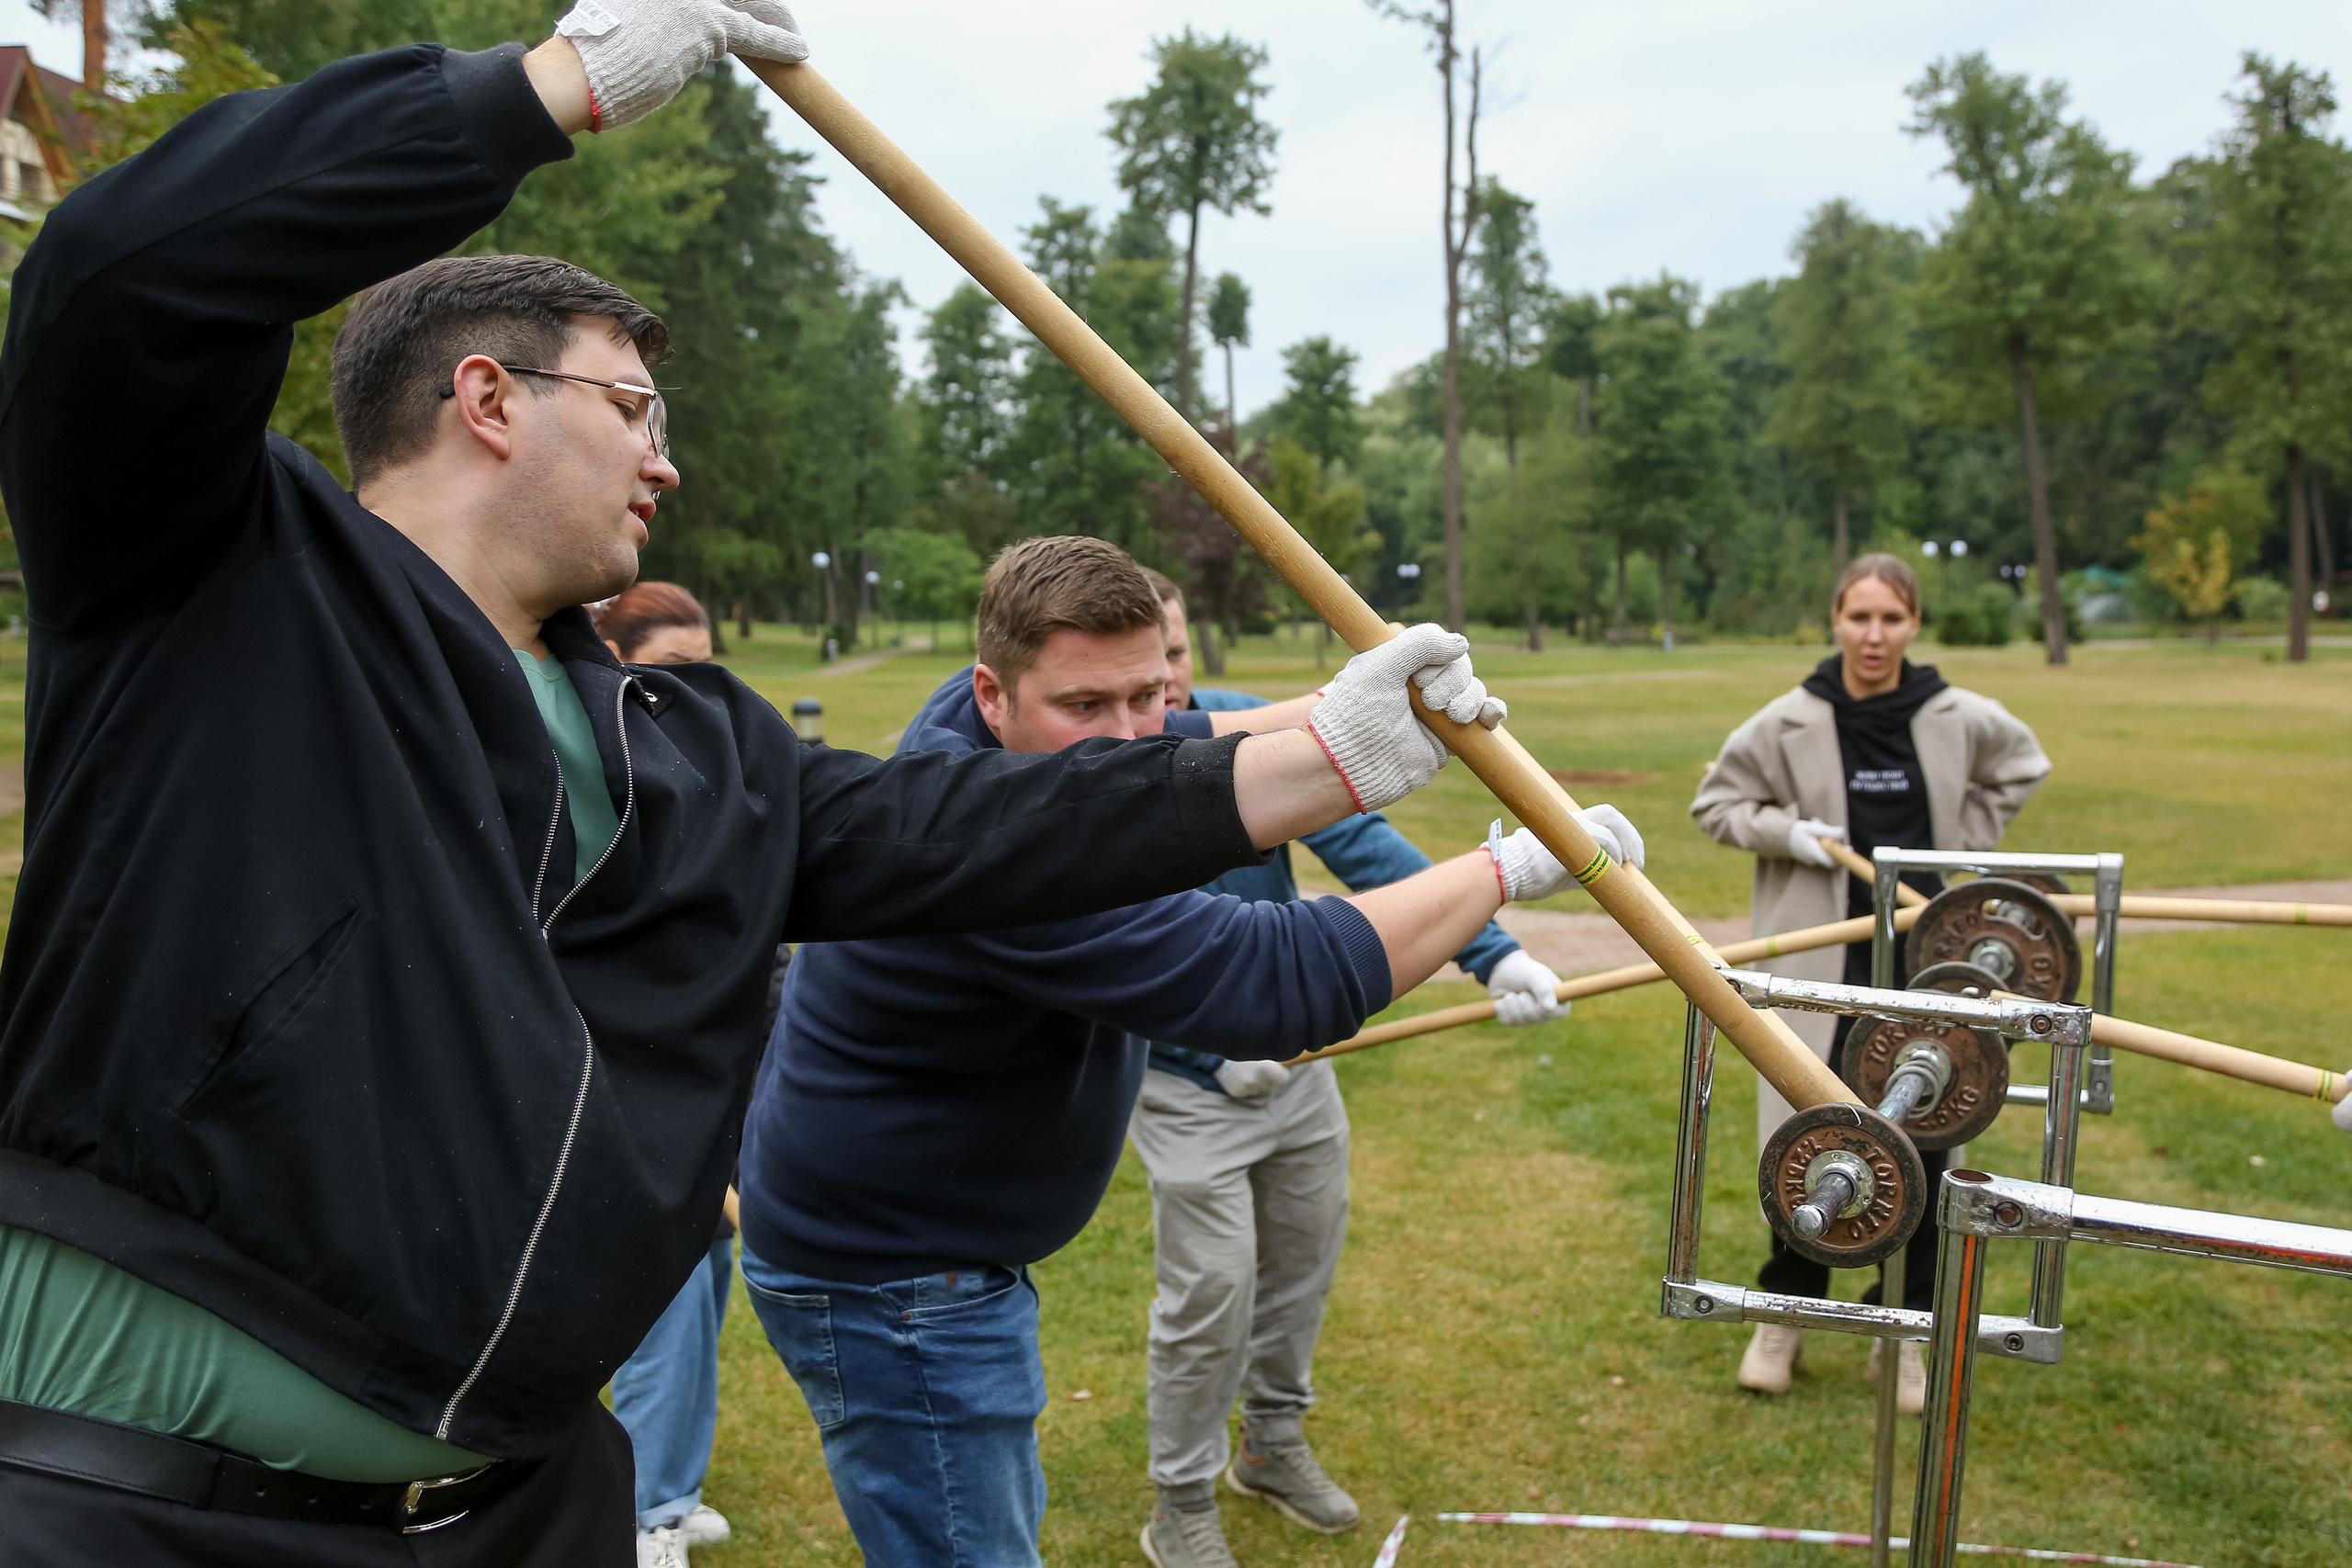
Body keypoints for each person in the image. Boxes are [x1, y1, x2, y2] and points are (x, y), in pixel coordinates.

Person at [0, 12, 1481, 1562]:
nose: (666, 463)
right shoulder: (225, 581)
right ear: (490, 399)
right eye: (634, 410)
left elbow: (958, 826)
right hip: (133, 1503)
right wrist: (544, 90)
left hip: (518, 1502)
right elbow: (120, 276)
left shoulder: (687, 741)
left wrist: (1317, 754)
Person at [735, 536, 1642, 1568]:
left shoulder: (978, 725)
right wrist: (1503, 870)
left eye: (1147, 695)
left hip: (925, 1245)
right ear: (992, 692)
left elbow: (1188, 739)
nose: (1127, 739)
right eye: (1084, 707)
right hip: (892, 1276)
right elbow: (1274, 979)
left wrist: (1339, 711)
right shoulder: (1005, 873)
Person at [1130, 571, 1573, 1568]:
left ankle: (1271, 1445)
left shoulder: (1241, 728)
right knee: (1209, 1295)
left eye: (1175, 654)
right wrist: (1209, 1052)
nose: (1165, 681)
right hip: (1183, 1088)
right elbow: (1114, 958)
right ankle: (1181, 1498)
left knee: (1301, 1264)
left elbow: (1365, 845)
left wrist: (1495, 954)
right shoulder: (1095, 769)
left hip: (1296, 1068)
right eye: (1144, 666)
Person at [1690, 553, 2049, 1413]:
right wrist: (1788, 834)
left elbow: (2023, 764)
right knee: (1815, 1136)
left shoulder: (1954, 713)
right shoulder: (1791, 717)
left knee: (1929, 1140)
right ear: (1836, 620)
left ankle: (1907, 1328)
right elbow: (1717, 805)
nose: (1875, 635)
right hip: (1827, 967)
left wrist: (1965, 838)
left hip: (1927, 968)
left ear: (1914, 622)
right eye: (1859, 617)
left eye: (1891, 617)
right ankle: (1787, 1311)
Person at [591, 584, 735, 1568]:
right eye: (677, 668)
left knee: (705, 1292)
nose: (701, 688)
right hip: (628, 1105)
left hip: (708, 1086)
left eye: (708, 665)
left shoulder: (704, 768)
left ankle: (670, 1487)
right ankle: (647, 1516)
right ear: (615, 661)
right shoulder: (597, 775)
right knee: (666, 1310)